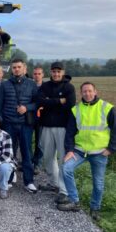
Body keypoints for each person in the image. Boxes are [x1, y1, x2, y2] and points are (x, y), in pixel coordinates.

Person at [58, 82, 115, 221]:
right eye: (84, 91)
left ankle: (95, 208)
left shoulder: (107, 108)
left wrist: (111, 149)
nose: (87, 94)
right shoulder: (75, 109)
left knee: (98, 183)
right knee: (66, 168)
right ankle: (74, 201)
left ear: (95, 91)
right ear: (81, 93)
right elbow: (70, 132)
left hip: (99, 153)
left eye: (90, 91)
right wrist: (69, 150)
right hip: (79, 150)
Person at [0, 58, 38, 193]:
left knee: (27, 153)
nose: (16, 69)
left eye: (19, 67)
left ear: (24, 68)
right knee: (9, 153)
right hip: (9, 124)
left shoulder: (31, 84)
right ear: (12, 69)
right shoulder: (5, 85)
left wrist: (27, 107)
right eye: (14, 67)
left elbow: (37, 103)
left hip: (25, 125)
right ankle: (9, 178)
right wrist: (0, 121)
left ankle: (28, 181)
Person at [37, 62, 76, 202]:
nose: (56, 74)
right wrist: (59, 101)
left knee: (62, 159)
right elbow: (40, 102)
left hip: (63, 128)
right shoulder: (45, 86)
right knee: (48, 158)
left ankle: (64, 190)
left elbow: (70, 105)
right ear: (50, 72)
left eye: (59, 71)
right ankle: (54, 183)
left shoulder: (69, 87)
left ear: (63, 72)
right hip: (46, 126)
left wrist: (49, 102)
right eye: (54, 71)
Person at [32, 66, 45, 173]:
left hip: (42, 118)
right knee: (26, 141)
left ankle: (37, 164)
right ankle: (28, 162)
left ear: (43, 75)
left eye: (39, 74)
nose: (37, 76)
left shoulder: (47, 87)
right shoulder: (30, 85)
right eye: (35, 74)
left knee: (39, 142)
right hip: (30, 117)